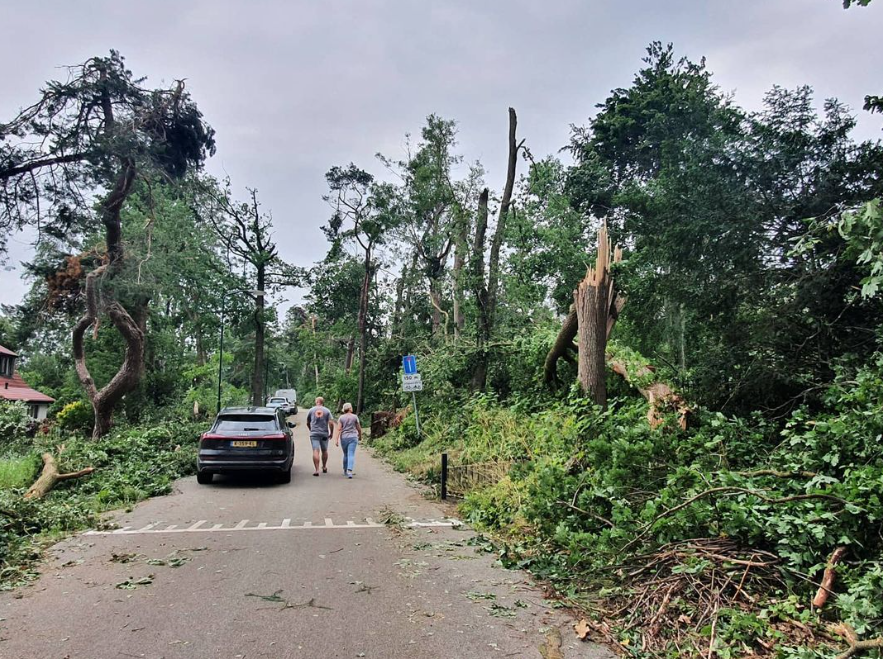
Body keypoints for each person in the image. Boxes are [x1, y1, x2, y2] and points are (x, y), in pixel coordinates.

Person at [306, 396, 335, 476]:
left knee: (315, 450)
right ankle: (324, 467)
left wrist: (311, 429)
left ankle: (317, 470)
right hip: (324, 433)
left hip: (314, 434)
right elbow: (331, 423)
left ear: (316, 402)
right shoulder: (327, 410)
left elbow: (308, 422)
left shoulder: (311, 410)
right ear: (323, 402)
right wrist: (331, 432)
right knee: (324, 450)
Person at [335, 402, 362, 479]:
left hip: (344, 437)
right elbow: (359, 428)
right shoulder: (355, 417)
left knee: (346, 454)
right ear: (350, 408)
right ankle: (349, 471)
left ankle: (345, 470)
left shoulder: (341, 418)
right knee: (351, 454)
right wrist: (360, 436)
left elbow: (339, 429)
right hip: (353, 437)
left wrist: (336, 440)